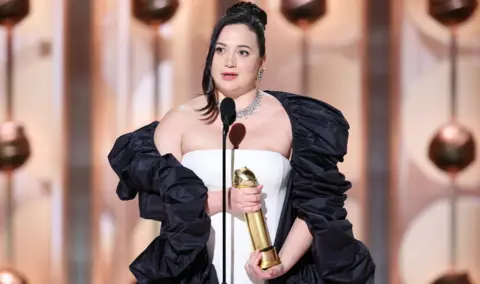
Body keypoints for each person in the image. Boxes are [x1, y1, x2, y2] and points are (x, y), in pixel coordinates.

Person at [108, 2, 375, 283]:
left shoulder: (296, 120)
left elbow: (316, 209)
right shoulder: (178, 121)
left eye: (243, 52)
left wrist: (279, 264)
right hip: (196, 274)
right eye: (220, 50)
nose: (229, 62)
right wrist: (222, 200)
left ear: (262, 62)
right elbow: (161, 204)